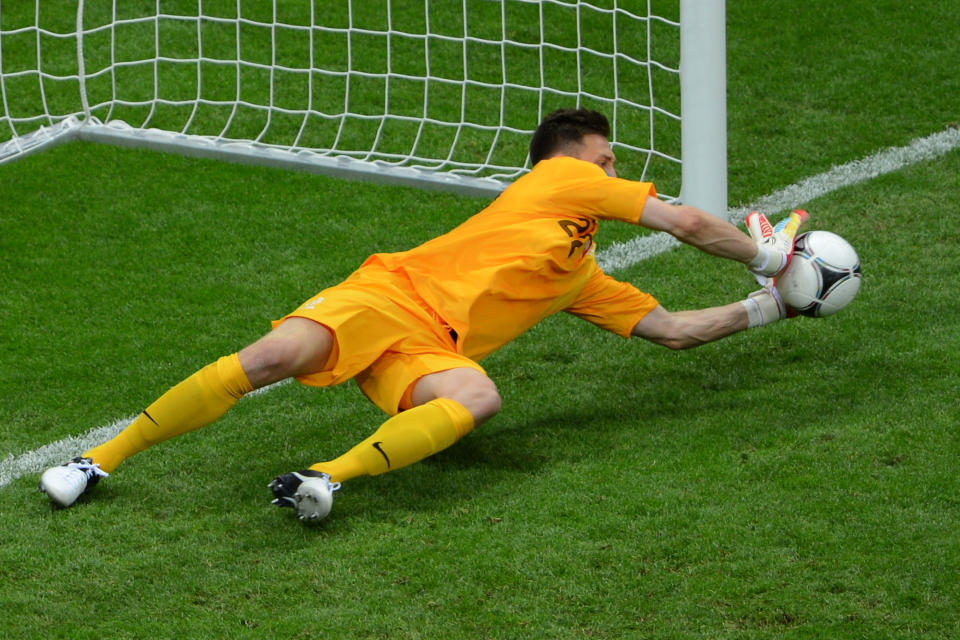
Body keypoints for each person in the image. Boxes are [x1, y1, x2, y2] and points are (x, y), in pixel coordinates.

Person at [39, 108, 804, 521]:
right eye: (604, 161)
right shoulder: (554, 183)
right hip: (387, 295)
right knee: (266, 361)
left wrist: (768, 308)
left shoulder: (579, 273)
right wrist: (769, 259)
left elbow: (672, 330)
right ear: (565, 161)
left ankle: (322, 480)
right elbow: (689, 225)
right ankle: (94, 461)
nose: (614, 172)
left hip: (429, 345)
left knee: (479, 396)